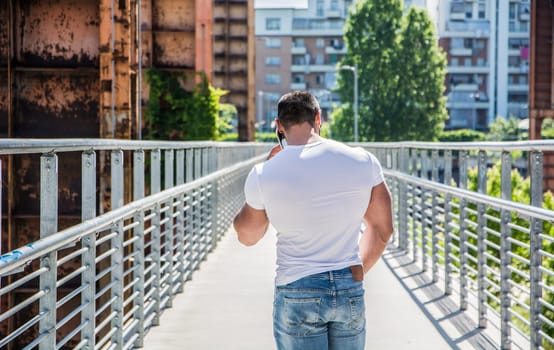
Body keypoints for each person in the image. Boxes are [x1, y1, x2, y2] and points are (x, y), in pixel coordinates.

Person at [233, 91, 394, 350]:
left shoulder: (265, 173)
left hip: (297, 289)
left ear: (279, 127)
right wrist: (352, 272)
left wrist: (264, 185)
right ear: (319, 118)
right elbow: (383, 229)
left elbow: (248, 236)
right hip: (349, 287)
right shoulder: (363, 161)